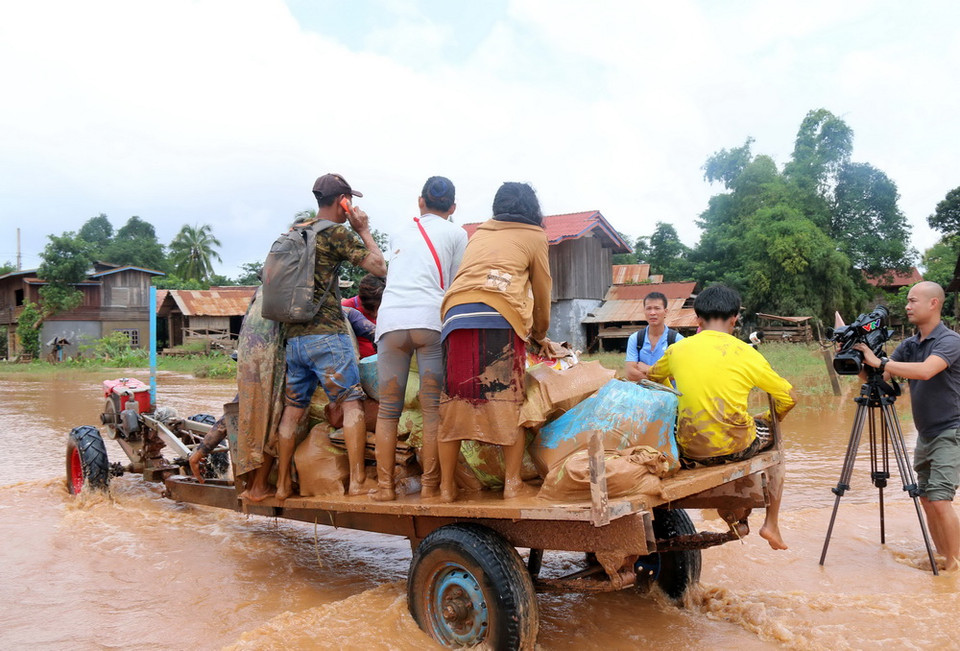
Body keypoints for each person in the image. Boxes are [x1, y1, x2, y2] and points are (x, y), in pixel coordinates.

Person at [242, 173, 386, 503]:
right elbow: (379, 267)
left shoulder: (296, 231)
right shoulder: (335, 233)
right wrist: (362, 229)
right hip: (328, 337)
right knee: (351, 403)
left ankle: (280, 487)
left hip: (294, 340)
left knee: (292, 411)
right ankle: (356, 483)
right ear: (343, 202)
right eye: (352, 201)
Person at [649, 284, 795, 550]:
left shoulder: (677, 350)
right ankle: (771, 523)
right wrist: (765, 418)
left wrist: (678, 396)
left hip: (688, 451)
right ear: (735, 318)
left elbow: (652, 380)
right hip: (737, 448)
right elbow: (789, 398)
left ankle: (738, 514)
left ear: (697, 319)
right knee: (776, 443)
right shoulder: (747, 352)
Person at [437, 182, 552, 503]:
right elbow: (543, 291)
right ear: (533, 209)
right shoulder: (535, 236)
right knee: (507, 401)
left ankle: (447, 488)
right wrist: (539, 336)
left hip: (454, 316)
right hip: (500, 317)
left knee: (455, 403)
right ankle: (512, 483)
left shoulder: (481, 232)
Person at [371, 176, 467, 501]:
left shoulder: (400, 232)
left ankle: (384, 488)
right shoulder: (457, 233)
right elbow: (454, 284)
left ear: (420, 201)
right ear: (452, 208)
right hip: (429, 322)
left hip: (391, 322)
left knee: (387, 410)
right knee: (432, 411)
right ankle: (430, 487)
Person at [855, 281, 960, 572]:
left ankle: (954, 566)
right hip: (926, 433)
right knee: (926, 499)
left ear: (933, 304)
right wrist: (863, 360)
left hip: (951, 430)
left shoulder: (949, 341)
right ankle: (942, 556)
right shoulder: (910, 344)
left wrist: (882, 360)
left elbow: (926, 371)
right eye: (907, 301)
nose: (907, 306)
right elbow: (880, 377)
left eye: (913, 301)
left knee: (940, 500)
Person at [624, 291, 683, 382]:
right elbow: (630, 373)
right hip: (643, 394)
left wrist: (648, 369)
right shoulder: (635, 339)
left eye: (657, 308)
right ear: (644, 311)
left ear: (665, 311)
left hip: (669, 394)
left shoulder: (677, 340)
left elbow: (678, 374)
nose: (652, 313)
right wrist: (661, 375)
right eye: (648, 308)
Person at [342, 274, 385, 359]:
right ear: (361, 300)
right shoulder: (346, 309)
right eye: (370, 308)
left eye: (379, 307)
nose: (375, 314)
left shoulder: (391, 310)